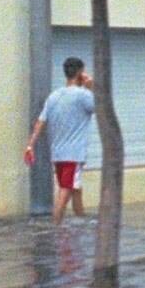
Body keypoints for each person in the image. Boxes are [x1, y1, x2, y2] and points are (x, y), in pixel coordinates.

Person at [26, 57, 95, 225]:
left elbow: (40, 122)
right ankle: (54, 227)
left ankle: (82, 222)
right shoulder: (83, 95)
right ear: (79, 72)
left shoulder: (53, 96)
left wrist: (30, 145)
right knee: (65, 190)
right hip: (74, 155)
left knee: (75, 189)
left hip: (57, 154)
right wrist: (91, 88)